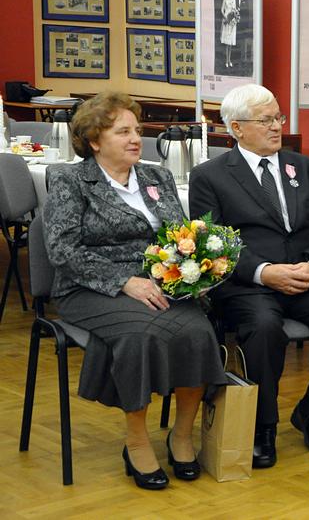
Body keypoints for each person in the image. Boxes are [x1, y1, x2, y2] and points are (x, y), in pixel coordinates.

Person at [42, 91, 227, 490]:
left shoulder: (157, 177)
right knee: (139, 335)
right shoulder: (70, 180)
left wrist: (192, 268)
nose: (135, 139)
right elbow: (62, 250)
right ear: (94, 141)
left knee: (199, 332)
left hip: (157, 283)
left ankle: (181, 435)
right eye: (122, 132)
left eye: (137, 130)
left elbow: (177, 235)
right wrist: (123, 281)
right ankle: (137, 440)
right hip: (91, 287)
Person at [189, 84, 309, 466]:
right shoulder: (210, 176)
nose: (277, 126)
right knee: (264, 328)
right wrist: (263, 272)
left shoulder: (307, 168)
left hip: (308, 277)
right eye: (266, 120)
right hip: (249, 284)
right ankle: (263, 425)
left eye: (279, 118)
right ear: (237, 128)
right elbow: (213, 243)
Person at [220, 0, 239, 69]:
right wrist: (225, 18)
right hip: (226, 21)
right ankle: (226, 61)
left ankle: (229, 60)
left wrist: (234, 19)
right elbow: (222, 10)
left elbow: (234, 11)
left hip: (231, 22)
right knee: (227, 43)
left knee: (230, 43)